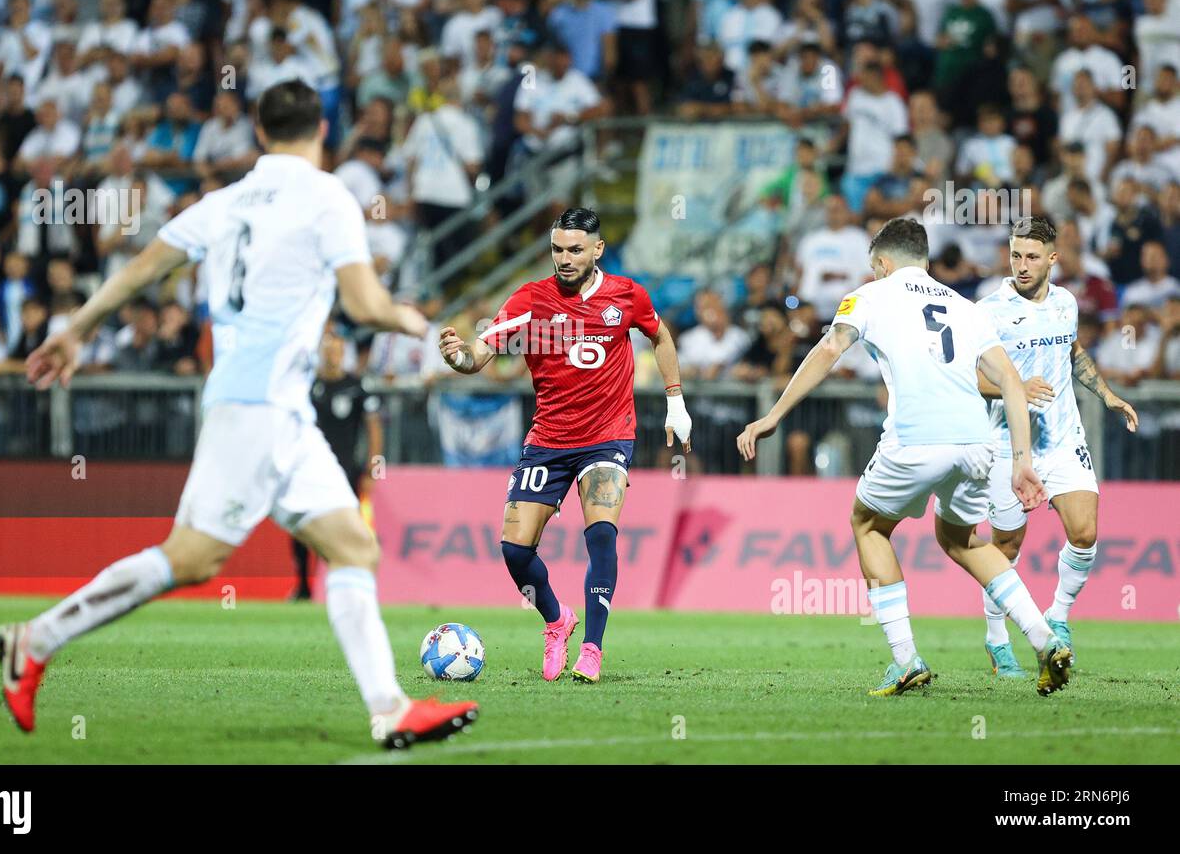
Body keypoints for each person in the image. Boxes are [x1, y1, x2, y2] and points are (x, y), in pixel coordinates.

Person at [0, 80, 478, 750]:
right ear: (322, 132)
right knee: (193, 560)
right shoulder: (327, 195)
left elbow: (140, 268)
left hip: (270, 406)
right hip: (258, 407)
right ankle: (35, 639)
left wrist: (76, 329)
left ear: (258, 133)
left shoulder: (221, 203)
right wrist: (411, 318)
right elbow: (367, 305)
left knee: (352, 546)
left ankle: (390, 708)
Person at [737, 217, 1071, 697]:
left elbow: (830, 347)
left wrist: (774, 414)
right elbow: (1012, 383)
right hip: (976, 444)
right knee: (962, 540)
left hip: (915, 440)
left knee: (868, 524)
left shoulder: (871, 296)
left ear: (882, 263)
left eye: (874, 267)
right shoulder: (965, 306)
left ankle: (905, 658)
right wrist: (1021, 460)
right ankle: (1044, 639)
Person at [436, 207, 692, 683]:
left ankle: (592, 648)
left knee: (600, 534)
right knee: (515, 550)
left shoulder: (627, 295)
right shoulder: (529, 300)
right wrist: (458, 358)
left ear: (598, 249)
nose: (564, 259)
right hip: (549, 438)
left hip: (609, 435)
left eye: (575, 250)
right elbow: (479, 355)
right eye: (557, 249)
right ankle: (557, 620)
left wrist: (675, 401)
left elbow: (661, 336)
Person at [975, 215, 1138, 677]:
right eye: (1015, 256)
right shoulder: (989, 311)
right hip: (1009, 443)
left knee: (1085, 534)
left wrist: (1105, 395)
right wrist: (1014, 388)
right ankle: (996, 638)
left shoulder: (1066, 302)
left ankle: (1058, 616)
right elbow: (969, 376)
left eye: (1030, 257)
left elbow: (1071, 351)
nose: (1021, 266)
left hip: (1065, 439)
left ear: (1053, 259)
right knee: (1005, 548)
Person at [288, 326, 382, 601]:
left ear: (344, 352)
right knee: (302, 527)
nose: (333, 354)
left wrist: (372, 469)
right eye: (328, 348)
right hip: (307, 470)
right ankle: (303, 585)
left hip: (345, 472)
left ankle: (343, 585)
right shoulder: (307, 386)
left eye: (337, 348)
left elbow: (374, 428)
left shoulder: (356, 387)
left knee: (346, 529)